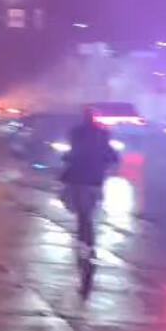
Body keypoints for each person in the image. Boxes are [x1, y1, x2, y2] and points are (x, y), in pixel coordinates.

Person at [62, 107, 118, 256]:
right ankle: (87, 241)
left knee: (81, 212)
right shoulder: (103, 134)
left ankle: (84, 240)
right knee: (88, 211)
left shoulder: (76, 133)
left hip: (78, 178)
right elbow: (113, 157)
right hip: (95, 180)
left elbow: (71, 154)